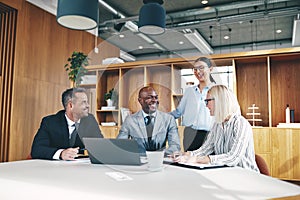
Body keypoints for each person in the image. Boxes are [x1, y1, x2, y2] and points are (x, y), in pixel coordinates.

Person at [173, 85, 259, 172]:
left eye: (207, 101)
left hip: (246, 176)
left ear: (219, 101)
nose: (206, 105)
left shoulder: (241, 123)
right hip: (228, 174)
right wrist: (186, 155)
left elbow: (234, 157)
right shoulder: (217, 125)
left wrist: (199, 159)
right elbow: (205, 149)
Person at [31, 87, 103, 160]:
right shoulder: (50, 122)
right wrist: (61, 153)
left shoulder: (90, 120)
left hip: (81, 168)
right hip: (55, 168)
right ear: (71, 105)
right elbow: (36, 150)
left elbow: (101, 146)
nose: (88, 106)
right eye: (83, 102)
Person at [117, 86, 181, 156]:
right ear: (140, 100)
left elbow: (175, 146)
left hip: (161, 160)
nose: (154, 100)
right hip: (138, 160)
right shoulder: (130, 120)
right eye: (149, 97)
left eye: (156, 97)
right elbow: (120, 144)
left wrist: (159, 155)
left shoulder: (169, 119)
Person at [170, 57, 216, 151]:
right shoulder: (189, 91)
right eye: (195, 69)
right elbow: (178, 112)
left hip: (210, 134)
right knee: (188, 161)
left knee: (207, 163)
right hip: (189, 134)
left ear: (210, 69)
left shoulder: (218, 90)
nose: (198, 71)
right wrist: (160, 117)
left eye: (201, 67)